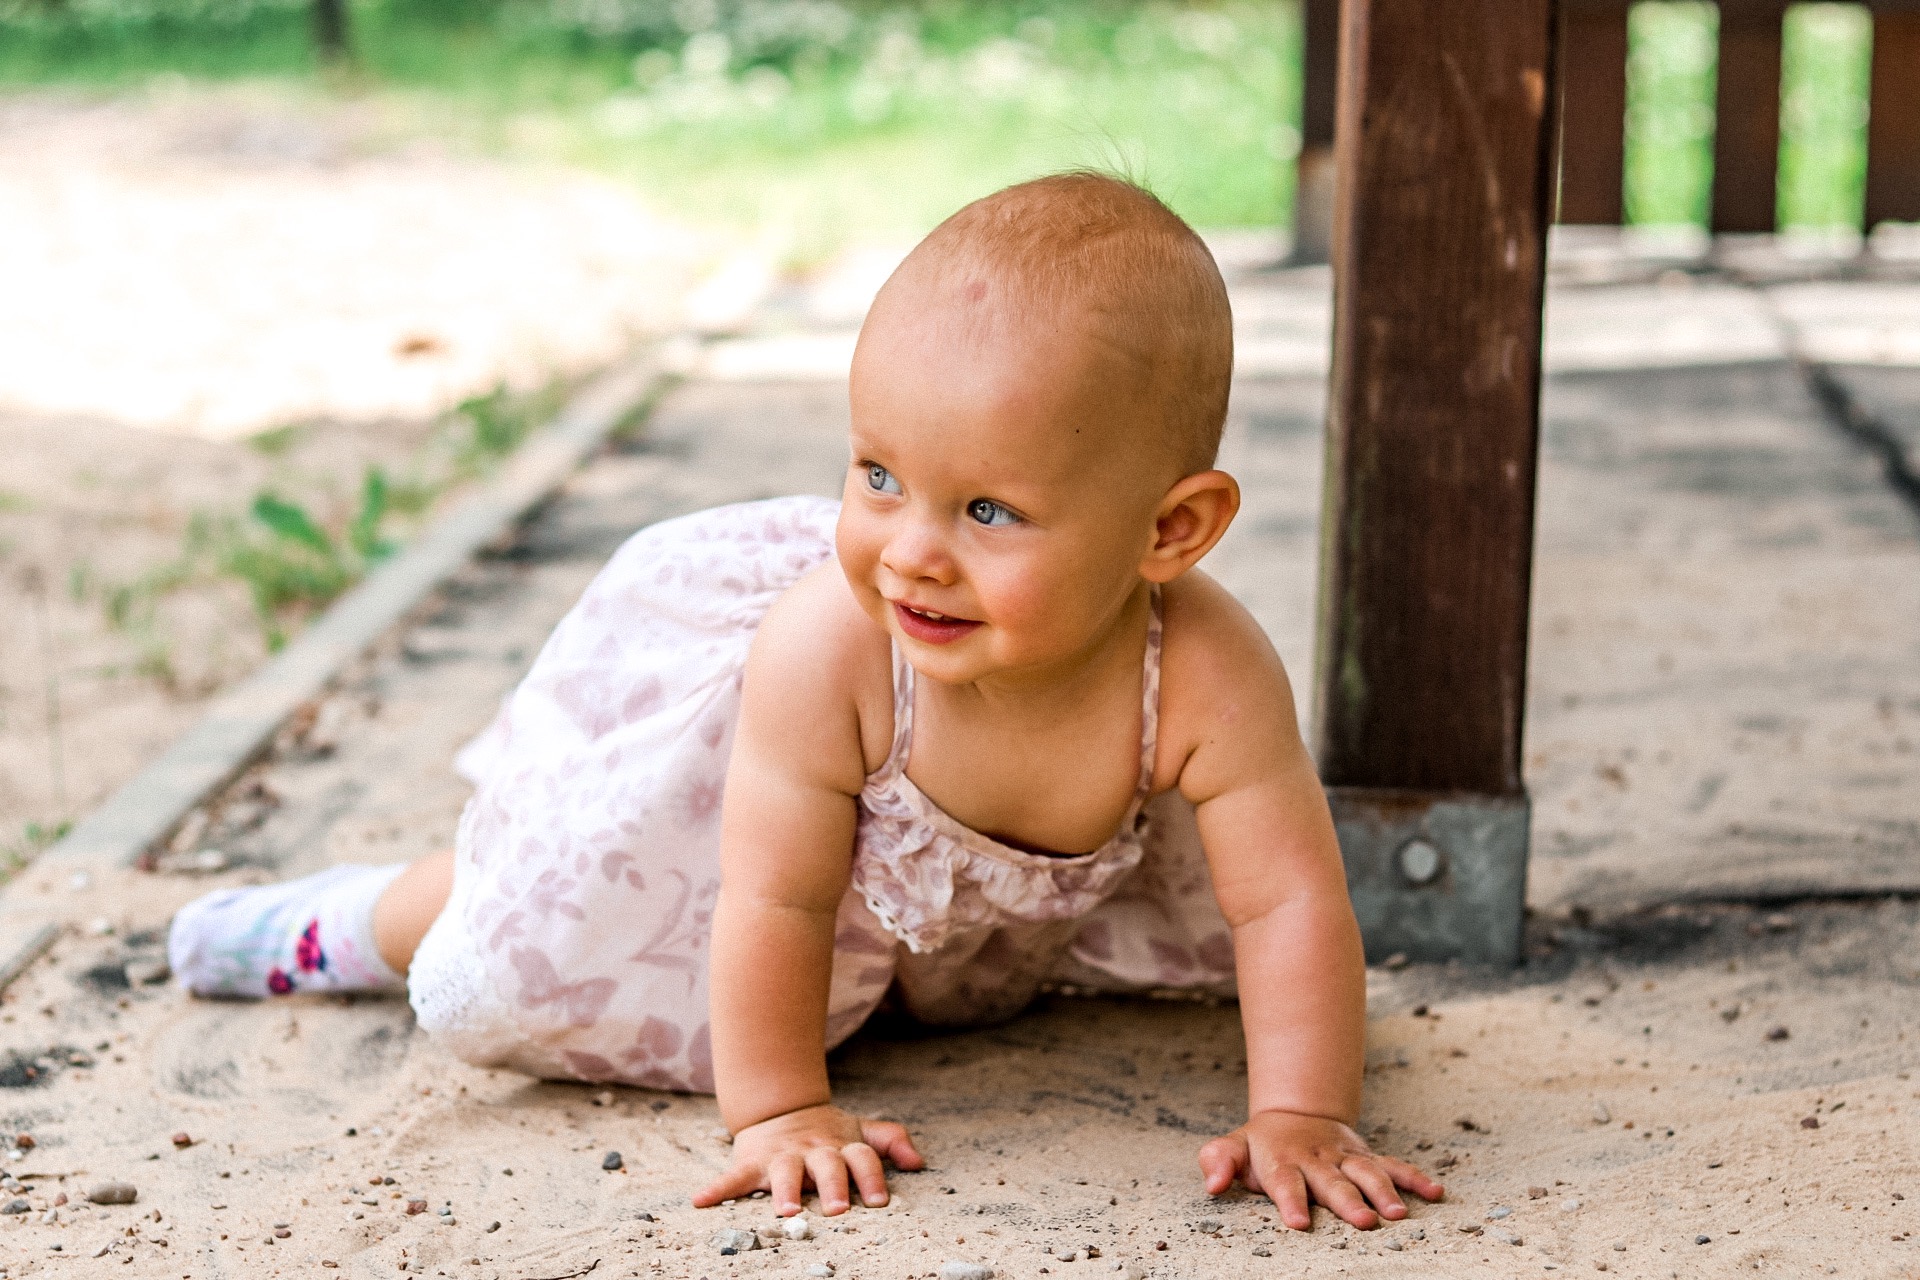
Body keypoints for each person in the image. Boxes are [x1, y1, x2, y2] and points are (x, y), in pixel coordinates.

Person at [168, 172, 1443, 1232]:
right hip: (720, 858)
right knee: (523, 917)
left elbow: (1286, 897)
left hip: (934, 931)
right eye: (878, 473)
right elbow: (774, 897)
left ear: (1173, 528)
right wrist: (779, 1108)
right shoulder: (835, 647)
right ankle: (332, 928)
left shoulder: (1207, 672)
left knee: (894, 993)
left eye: (988, 510)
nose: (912, 552)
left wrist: (1303, 1111)